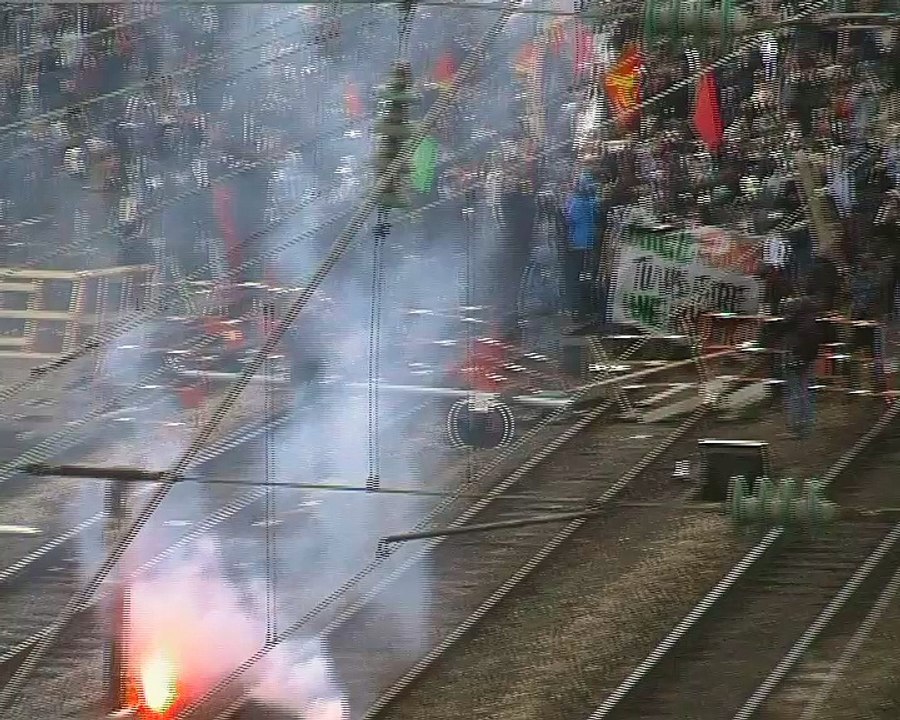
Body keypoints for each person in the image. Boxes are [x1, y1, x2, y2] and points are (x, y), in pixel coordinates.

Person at [780, 293, 822, 439]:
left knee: (795, 395)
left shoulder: (796, 324)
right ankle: (805, 427)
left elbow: (781, 333)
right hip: (805, 361)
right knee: (806, 394)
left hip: (795, 361)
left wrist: (799, 357)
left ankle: (798, 428)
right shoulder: (812, 322)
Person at [564, 171, 601, 323]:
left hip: (577, 243)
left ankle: (579, 309)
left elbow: (568, 220)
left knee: (579, 277)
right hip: (589, 243)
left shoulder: (574, 202)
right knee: (587, 276)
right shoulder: (592, 202)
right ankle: (585, 308)